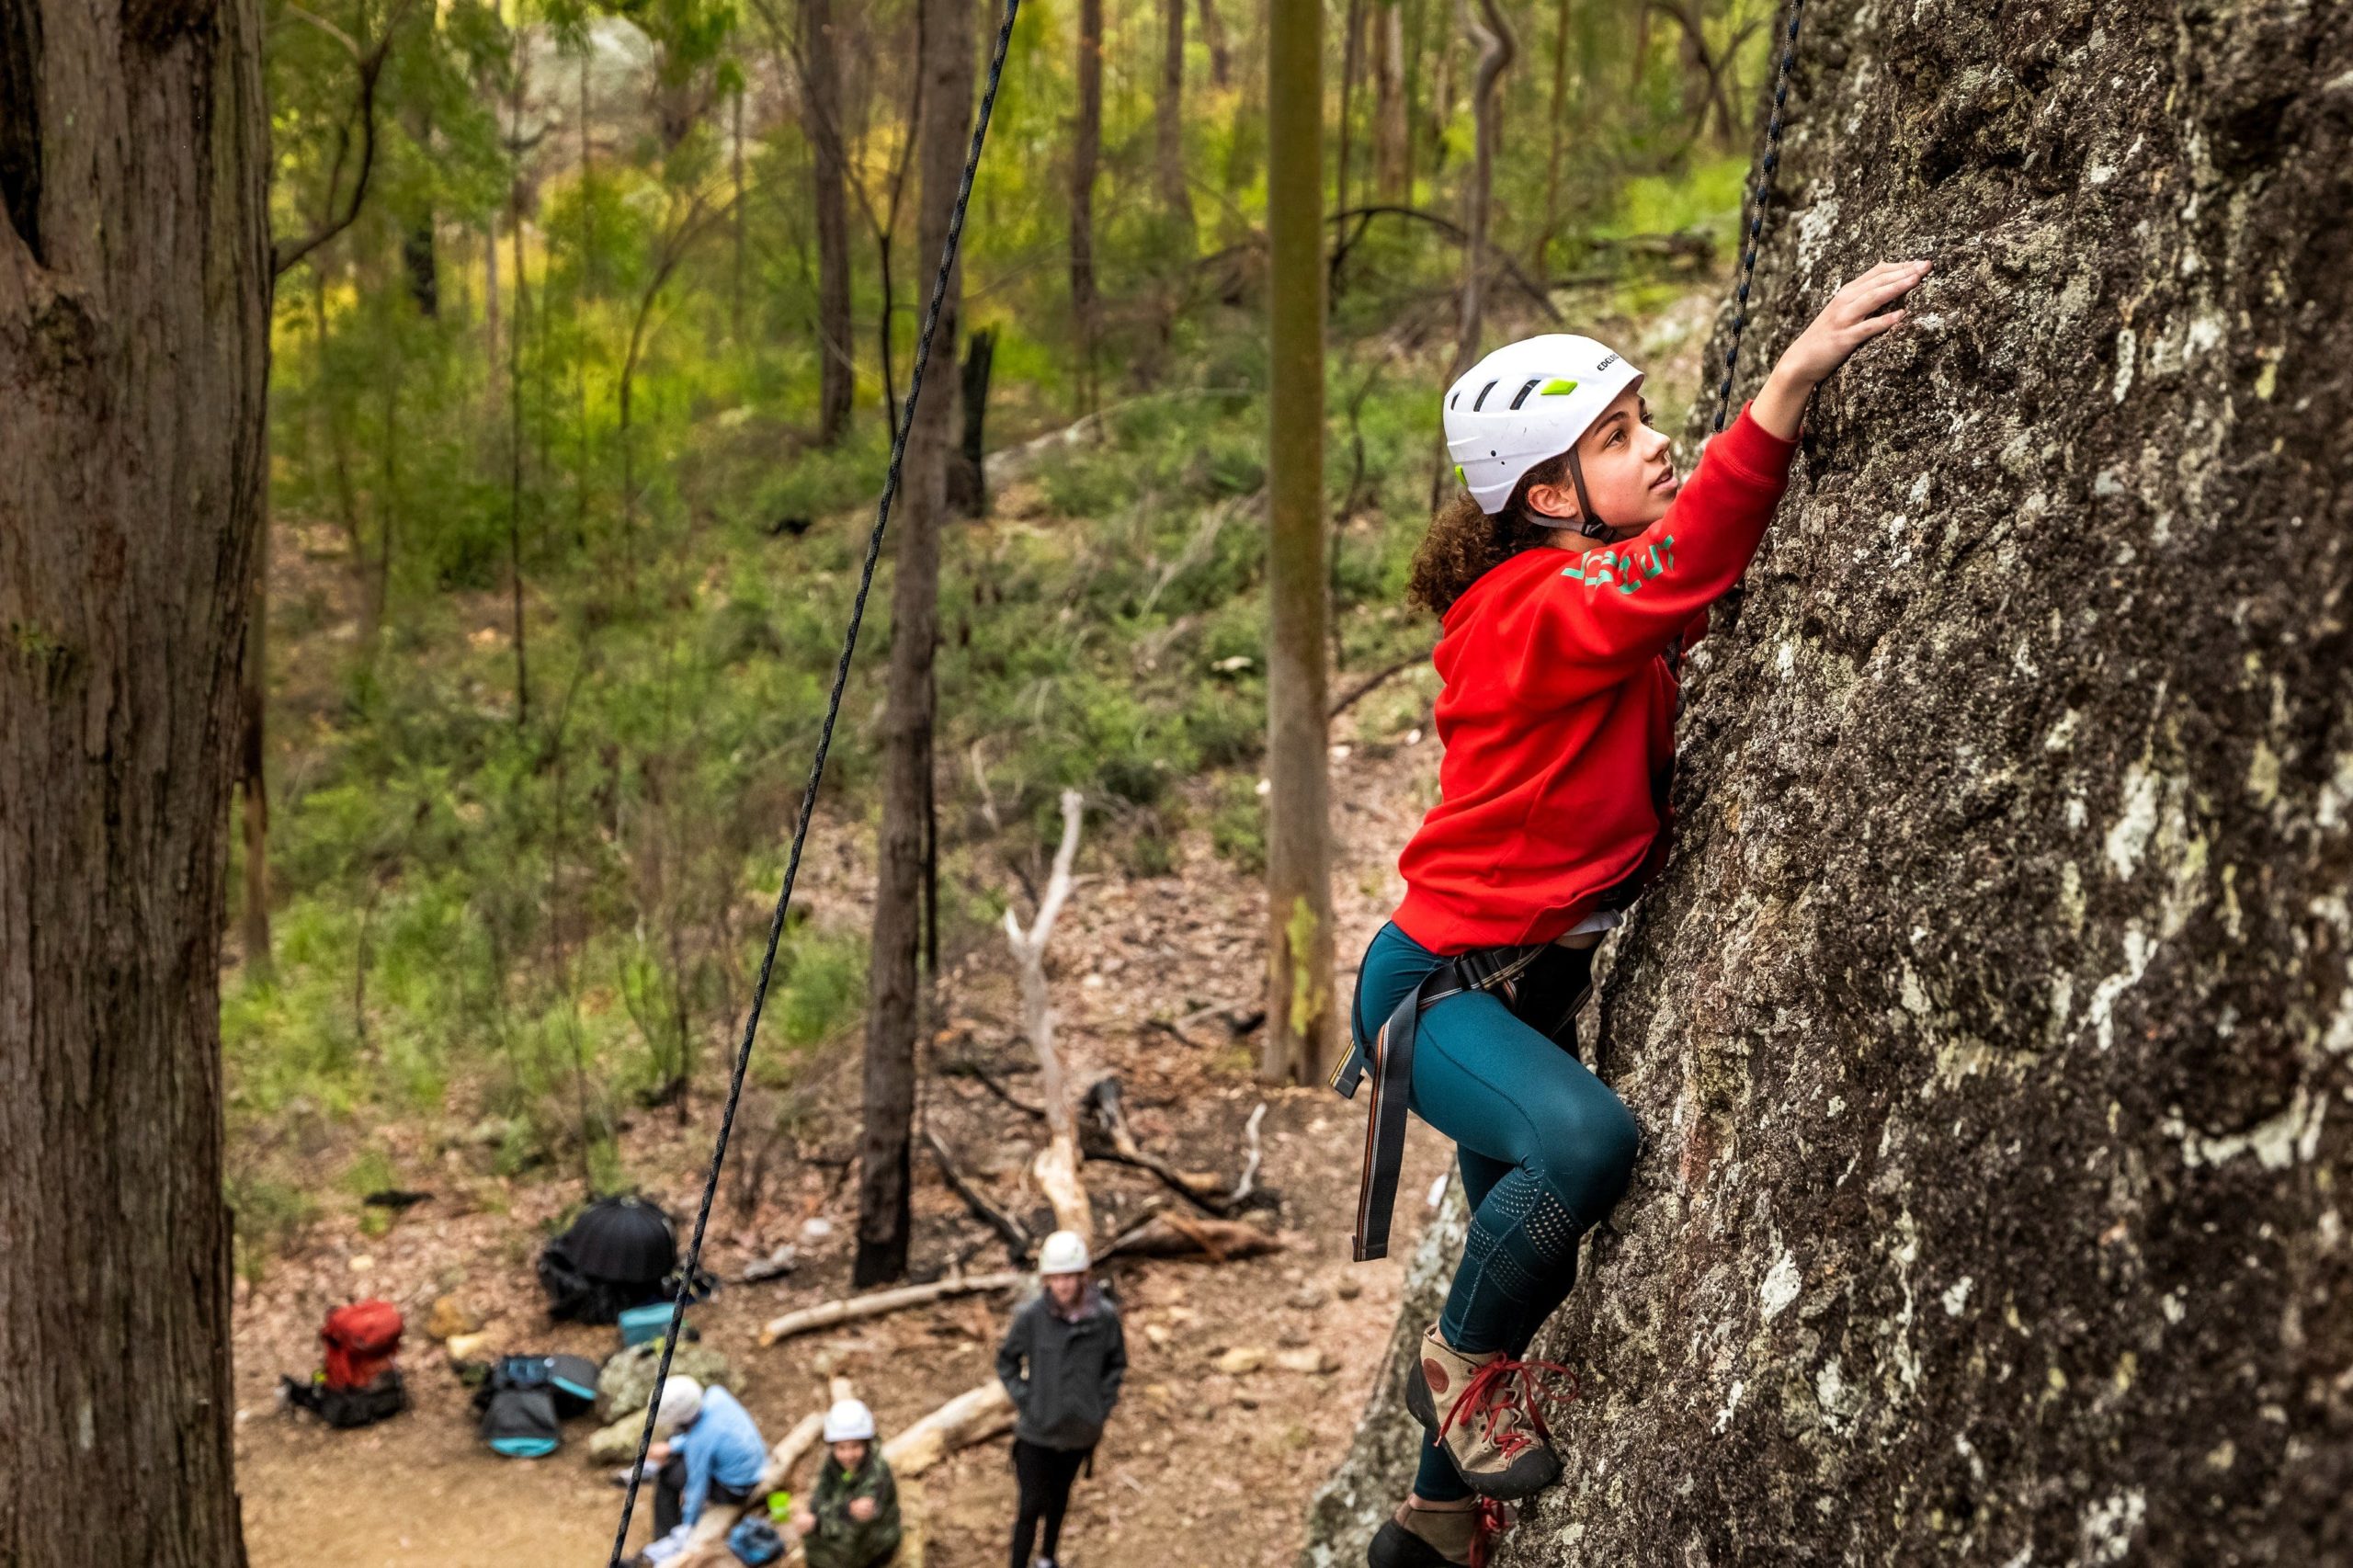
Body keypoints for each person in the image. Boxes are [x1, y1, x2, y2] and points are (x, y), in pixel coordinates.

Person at [1338, 262, 1934, 1568]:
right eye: (1616, 436)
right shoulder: (1534, 608)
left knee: (1527, 1256)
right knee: (1588, 1148)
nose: (1656, 439)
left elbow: (1668, 590)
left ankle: (1432, 1524)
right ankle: (1458, 1364)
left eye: (1644, 412)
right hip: (1436, 991)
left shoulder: (1574, 592)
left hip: (1516, 994)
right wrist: (1790, 377)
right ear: (1548, 497)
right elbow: (1687, 562)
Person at [995, 1230, 1127, 1568]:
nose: (1064, 1285)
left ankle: (1048, 1557)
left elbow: (1116, 1364)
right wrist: (1028, 1400)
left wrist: (1100, 1406)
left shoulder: (1105, 1318)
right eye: (1056, 1277)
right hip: (1037, 1431)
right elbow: (1006, 1361)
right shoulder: (1031, 1316)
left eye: (1070, 1276)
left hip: (1080, 1430)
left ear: (1083, 1276)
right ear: (1046, 1279)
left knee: (1059, 1499)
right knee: (1029, 1505)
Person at [639, 1374, 766, 1559]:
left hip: (737, 1490)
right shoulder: (717, 1395)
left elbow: (697, 1487)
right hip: (755, 1466)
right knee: (674, 1447)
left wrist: (688, 1526)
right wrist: (673, 1446)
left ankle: (666, 1536)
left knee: (666, 1476)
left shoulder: (699, 1441)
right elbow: (705, 1432)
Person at [790, 1398, 903, 1568]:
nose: (848, 1455)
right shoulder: (831, 1464)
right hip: (840, 1525)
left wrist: (818, 1521)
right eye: (841, 1448)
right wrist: (823, 1515)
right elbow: (819, 1498)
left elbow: (857, 1522)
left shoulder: (877, 1472)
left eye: (855, 1446)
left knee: (841, 1548)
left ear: (866, 1443)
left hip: (877, 1540)